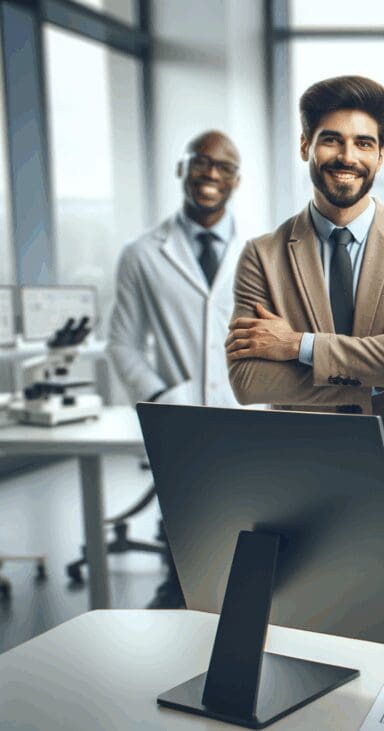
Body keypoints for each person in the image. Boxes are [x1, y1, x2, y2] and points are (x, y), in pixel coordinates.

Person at [225, 75, 384, 507]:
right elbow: (249, 381)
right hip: (299, 480)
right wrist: (380, 369)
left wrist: (299, 346)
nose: (348, 157)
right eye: (331, 140)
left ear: (381, 155)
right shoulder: (262, 255)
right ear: (304, 146)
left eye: (364, 143)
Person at [108, 129, 244, 609]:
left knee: (251, 554)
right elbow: (122, 344)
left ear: (237, 179)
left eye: (223, 167)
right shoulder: (143, 253)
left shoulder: (259, 251)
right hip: (181, 424)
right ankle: (175, 655)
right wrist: (165, 399)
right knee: (183, 563)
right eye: (200, 162)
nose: (210, 174)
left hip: (248, 417)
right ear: (181, 169)